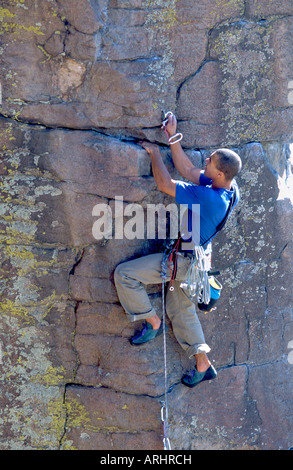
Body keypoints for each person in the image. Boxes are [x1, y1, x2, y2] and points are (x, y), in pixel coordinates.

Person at [114, 113, 242, 388]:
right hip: (197, 260)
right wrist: (172, 136)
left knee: (125, 275)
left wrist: (155, 153)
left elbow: (165, 185)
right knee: (179, 305)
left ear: (219, 173)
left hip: (183, 261)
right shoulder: (229, 189)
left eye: (210, 162)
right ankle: (202, 363)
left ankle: (152, 321)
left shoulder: (207, 197)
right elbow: (187, 170)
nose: (204, 161)